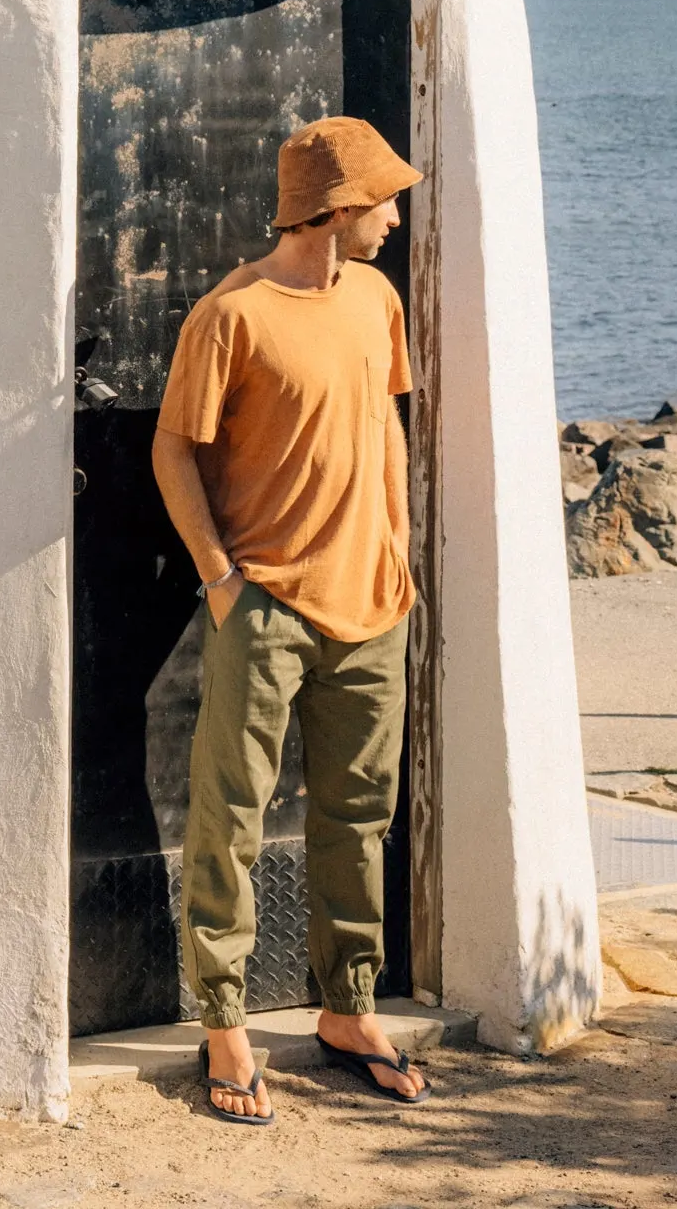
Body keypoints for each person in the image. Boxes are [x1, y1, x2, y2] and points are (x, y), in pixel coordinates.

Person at [151, 114, 427, 1126]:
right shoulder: (233, 316)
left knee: (359, 816)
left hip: (374, 605)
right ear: (336, 209)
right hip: (264, 605)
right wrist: (222, 578)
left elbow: (383, 422)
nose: (395, 217)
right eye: (383, 201)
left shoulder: (377, 299)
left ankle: (348, 1008)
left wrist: (397, 546)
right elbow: (174, 450)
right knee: (230, 818)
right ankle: (222, 1019)